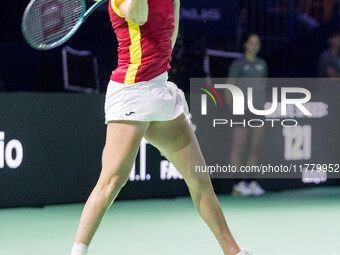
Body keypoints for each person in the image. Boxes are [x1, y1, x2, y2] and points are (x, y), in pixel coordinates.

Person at [70, 1, 252, 255]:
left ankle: (234, 252)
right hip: (131, 92)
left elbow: (170, 34)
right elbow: (141, 16)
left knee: (199, 179)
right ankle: (77, 252)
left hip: (160, 90)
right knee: (111, 182)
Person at [227, 34, 267, 196]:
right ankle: (238, 184)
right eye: (251, 43)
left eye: (256, 43)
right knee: (238, 148)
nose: (254, 46)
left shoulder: (262, 64)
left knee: (254, 149)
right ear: (245, 44)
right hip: (241, 110)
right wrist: (234, 109)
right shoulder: (238, 64)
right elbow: (228, 88)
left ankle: (251, 182)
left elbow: (263, 86)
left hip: (258, 111)